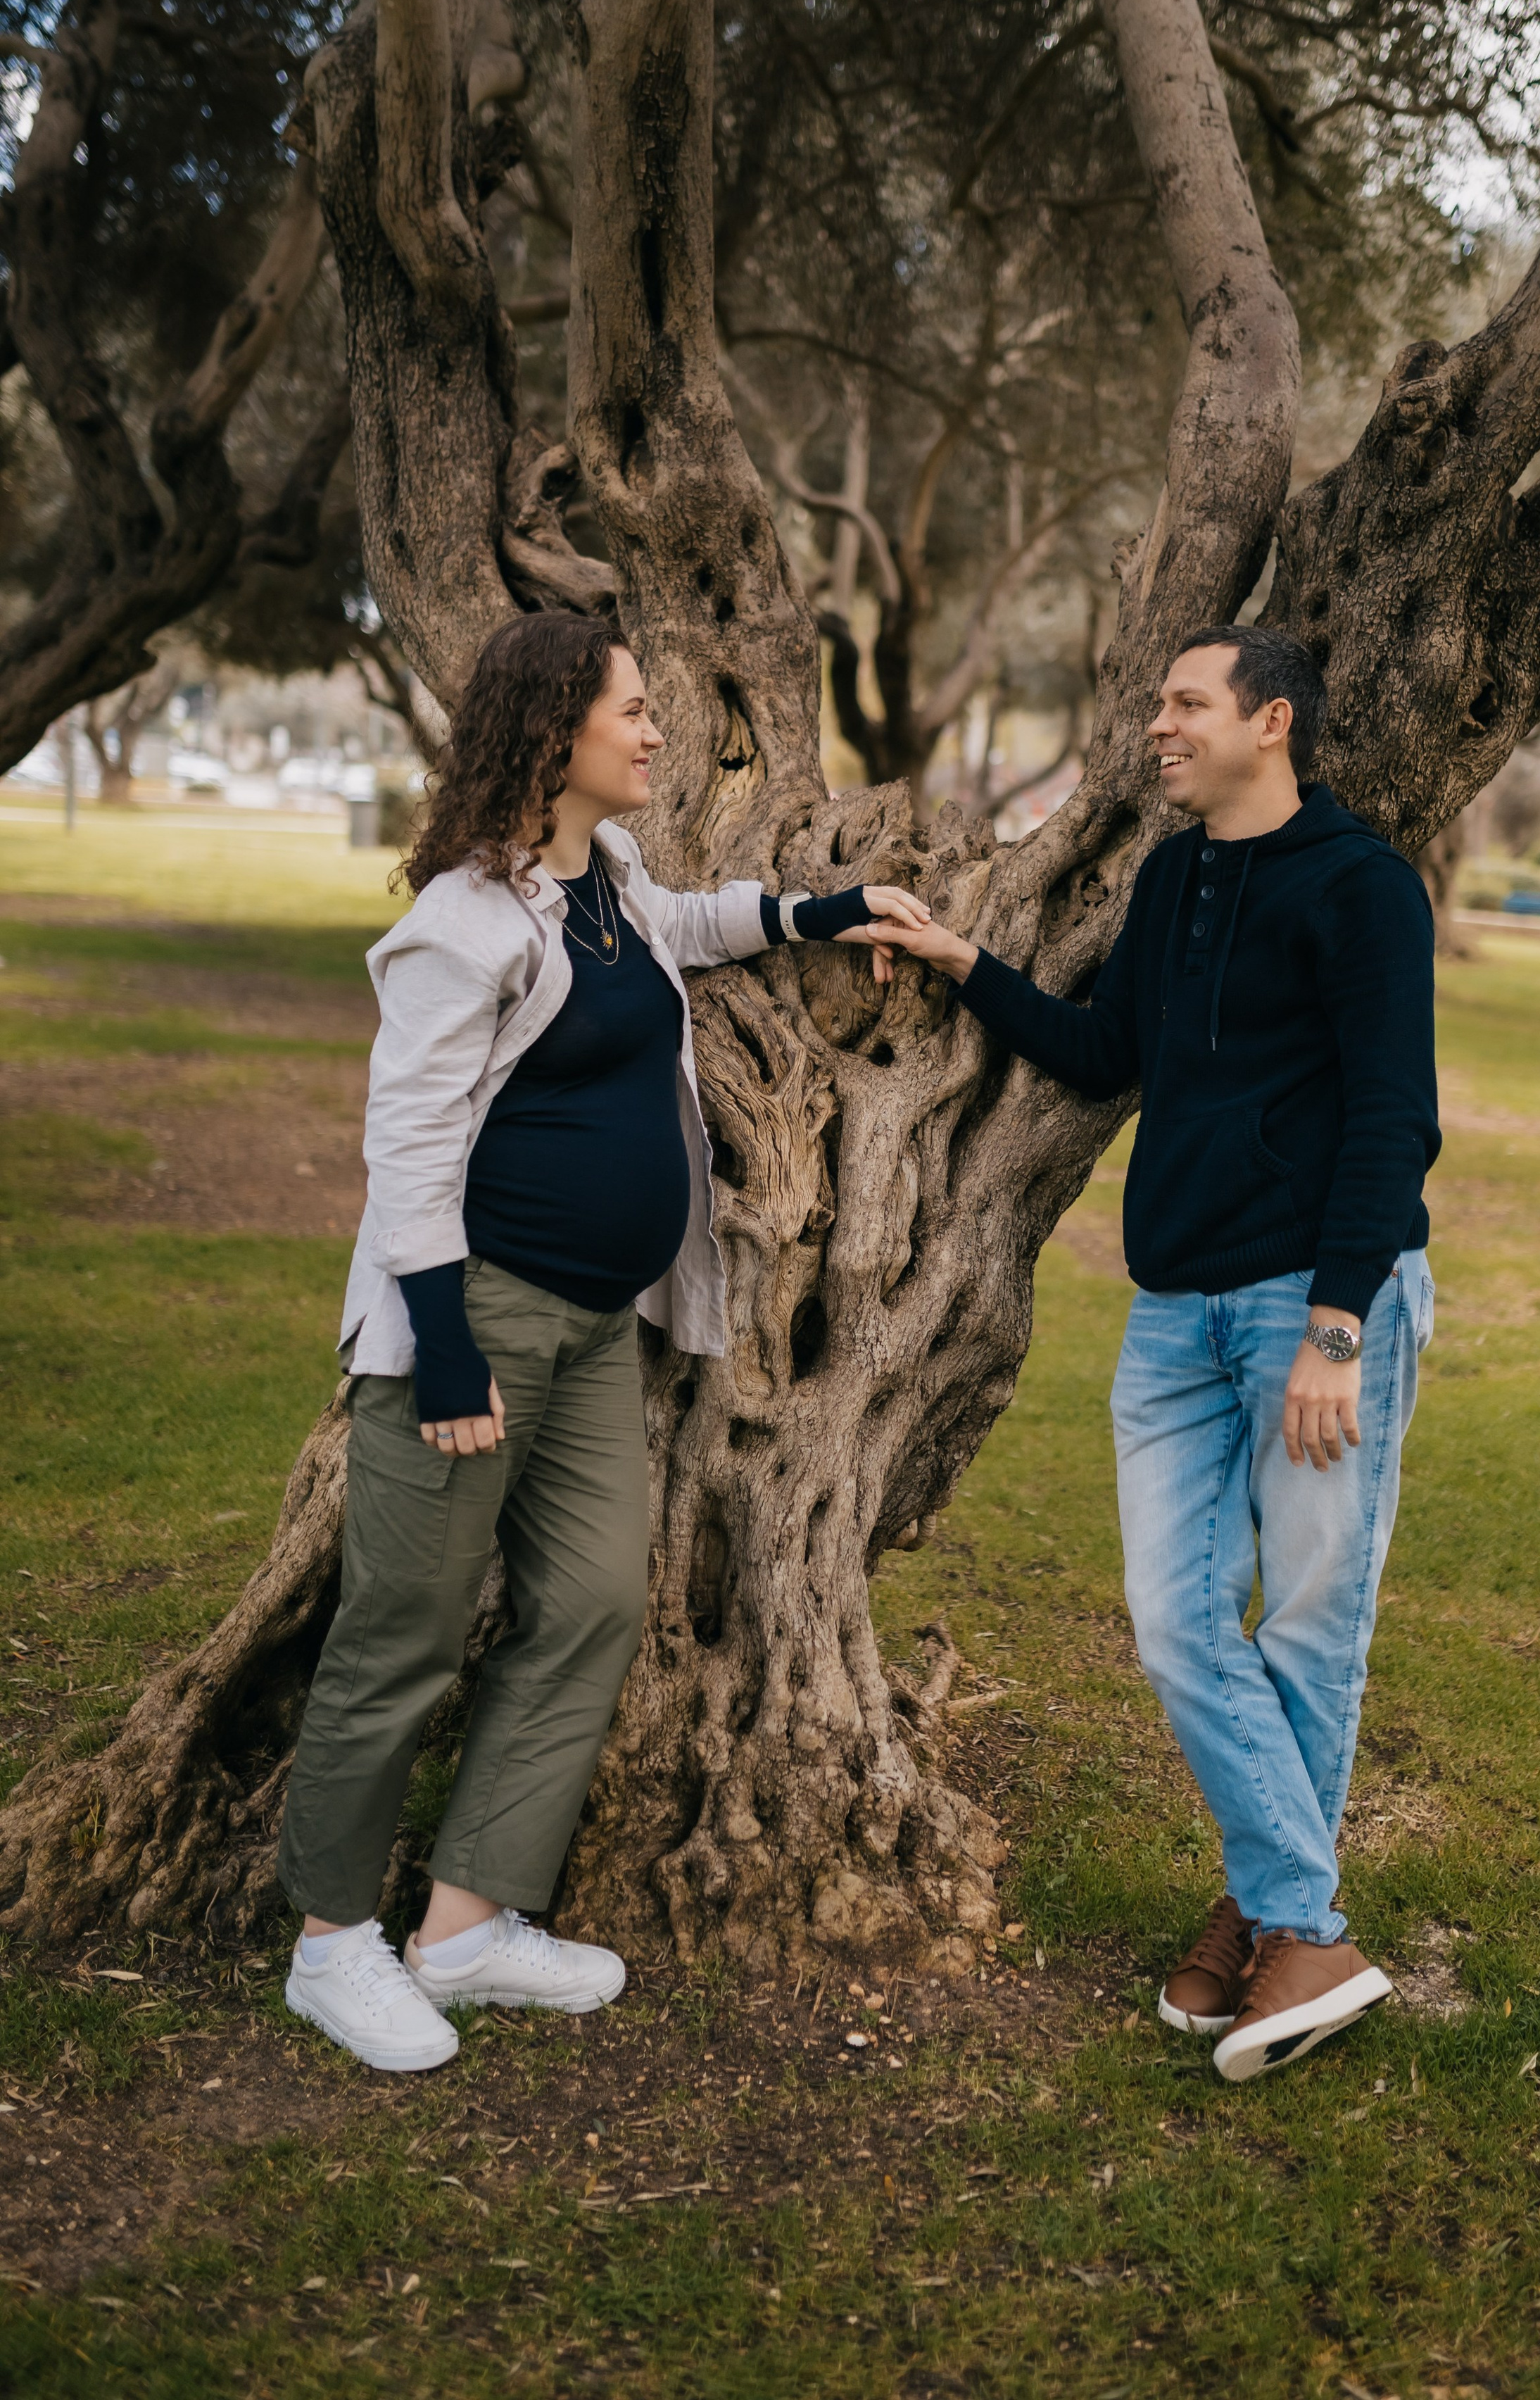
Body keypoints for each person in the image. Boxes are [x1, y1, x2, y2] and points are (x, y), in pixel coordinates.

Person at [278, 613, 926, 2073]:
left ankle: (458, 1930)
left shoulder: (609, 875)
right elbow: (407, 1139)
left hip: (595, 1328)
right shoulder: (461, 919)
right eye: (633, 712)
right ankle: (330, 1945)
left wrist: (818, 914)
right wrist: (441, 1350)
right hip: (478, 1320)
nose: (654, 734)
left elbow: (683, 933)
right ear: (554, 732)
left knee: (585, 1608)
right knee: (404, 1633)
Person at [876, 624, 1439, 2081]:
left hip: (1312, 1306)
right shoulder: (1173, 875)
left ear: (1269, 720)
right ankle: (1295, 1922)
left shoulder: (1362, 887)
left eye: (1184, 704)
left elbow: (1391, 1121)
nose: (1156, 727)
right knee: (1177, 1619)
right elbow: (1100, 1051)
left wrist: (1334, 1327)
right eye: (1155, 705)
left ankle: (1268, 1927)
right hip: (1173, 1308)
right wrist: (961, 965)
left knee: (1310, 1624)